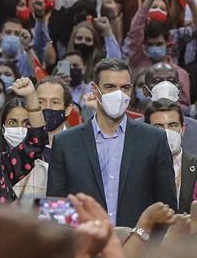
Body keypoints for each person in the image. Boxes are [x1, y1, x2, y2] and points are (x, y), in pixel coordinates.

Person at [44, 58, 177, 229]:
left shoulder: (154, 140)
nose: (118, 94)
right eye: (110, 87)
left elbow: (167, 208)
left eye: (125, 88)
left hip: (138, 250)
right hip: (84, 249)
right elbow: (56, 212)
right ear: (95, 89)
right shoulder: (66, 143)